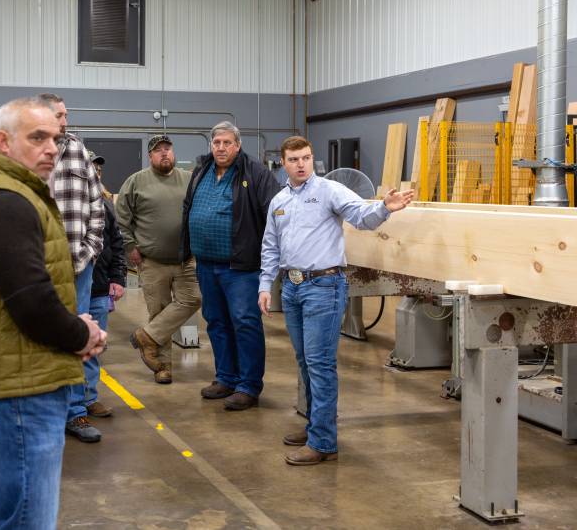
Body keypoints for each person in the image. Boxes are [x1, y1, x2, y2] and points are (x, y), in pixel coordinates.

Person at [0, 95, 106, 530]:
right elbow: (30, 301)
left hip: (17, 381)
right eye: (37, 137)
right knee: (26, 520)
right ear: (3, 142)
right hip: (18, 390)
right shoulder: (5, 200)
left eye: (54, 138)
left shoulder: (16, 193)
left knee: (5, 513)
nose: (51, 148)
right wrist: (82, 334)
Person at [258, 136, 413, 465]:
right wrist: (264, 285)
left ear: (312, 159)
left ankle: (323, 442)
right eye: (294, 159)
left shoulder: (329, 191)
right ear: (283, 163)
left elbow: (360, 216)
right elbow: (270, 245)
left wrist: (385, 207)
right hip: (292, 288)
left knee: (320, 364)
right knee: (304, 362)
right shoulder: (279, 201)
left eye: (306, 158)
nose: (301, 164)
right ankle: (317, 425)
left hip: (324, 287)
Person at [180, 121, 280, 410]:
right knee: (216, 322)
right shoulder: (201, 171)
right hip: (206, 263)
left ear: (238, 145)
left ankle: (248, 386)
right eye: (216, 143)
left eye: (226, 143)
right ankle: (226, 377)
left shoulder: (255, 173)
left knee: (245, 323)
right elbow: (189, 207)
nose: (221, 148)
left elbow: (273, 212)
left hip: (241, 267)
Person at [39, 93, 106, 443]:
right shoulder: (31, 152)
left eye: (66, 114)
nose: (65, 121)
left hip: (79, 263)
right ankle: (44, 412)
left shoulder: (79, 150)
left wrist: (92, 248)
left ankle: (75, 413)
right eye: (59, 115)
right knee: (42, 337)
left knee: (78, 338)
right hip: (39, 267)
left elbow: (98, 203)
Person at [116, 135, 201, 384]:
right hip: (152, 261)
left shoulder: (188, 179)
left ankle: (146, 336)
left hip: (186, 258)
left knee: (194, 298)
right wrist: (130, 245)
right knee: (159, 311)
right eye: (158, 150)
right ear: (150, 156)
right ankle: (162, 367)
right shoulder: (136, 182)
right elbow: (122, 217)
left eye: (168, 149)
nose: (164, 153)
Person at [84, 150, 126, 417]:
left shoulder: (105, 205)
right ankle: (67, 402)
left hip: (99, 288)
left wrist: (118, 278)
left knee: (94, 347)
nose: (96, 173)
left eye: (99, 170)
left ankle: (89, 398)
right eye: (91, 168)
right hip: (71, 286)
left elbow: (117, 244)